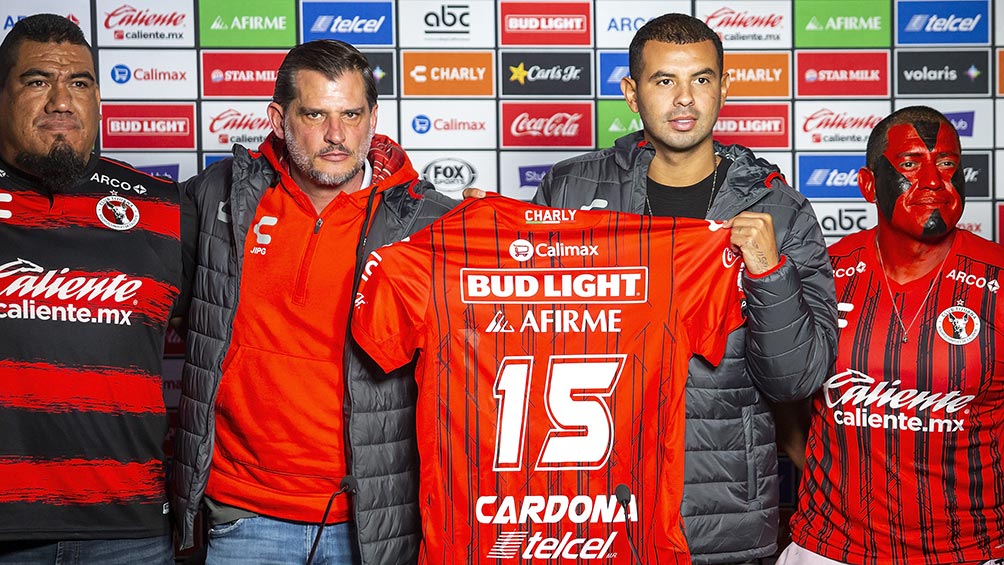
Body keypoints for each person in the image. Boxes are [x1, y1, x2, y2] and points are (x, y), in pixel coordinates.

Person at [530, 13, 838, 564]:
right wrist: (484, 234)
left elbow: (798, 378)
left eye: (700, 79)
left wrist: (769, 274)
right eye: (663, 80)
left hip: (725, 514)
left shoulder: (780, 210)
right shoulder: (570, 189)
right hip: (593, 504)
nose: (684, 100)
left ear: (725, 86)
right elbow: (527, 338)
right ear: (631, 92)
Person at [171, 39, 456, 564]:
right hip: (242, 511)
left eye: (351, 114)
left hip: (370, 521)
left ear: (373, 117)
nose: (336, 135)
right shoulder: (218, 196)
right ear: (278, 120)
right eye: (315, 114)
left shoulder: (431, 223)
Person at [0, 13, 191, 564]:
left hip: (128, 531)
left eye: (79, 83)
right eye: (37, 81)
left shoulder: (161, 207)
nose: (61, 100)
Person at [781, 106, 1004, 565]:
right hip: (829, 549)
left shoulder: (999, 277)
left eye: (946, 164)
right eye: (909, 165)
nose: (932, 181)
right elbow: (783, 401)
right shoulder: (822, 273)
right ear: (868, 184)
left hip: (969, 552)